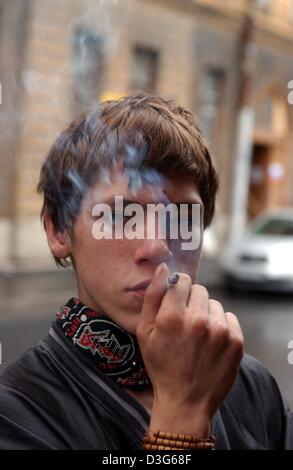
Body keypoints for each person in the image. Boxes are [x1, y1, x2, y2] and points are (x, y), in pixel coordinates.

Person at [0, 94, 292, 450]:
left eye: (182, 216)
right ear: (59, 230)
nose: (157, 246)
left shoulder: (252, 385)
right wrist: (181, 418)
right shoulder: (15, 408)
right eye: (122, 215)